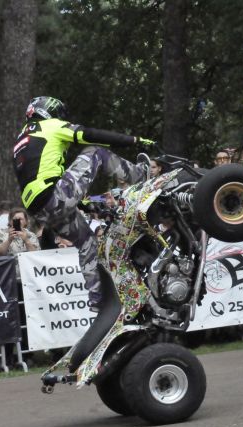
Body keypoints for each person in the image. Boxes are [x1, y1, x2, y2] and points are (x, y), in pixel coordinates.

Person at [12, 96, 151, 311]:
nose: (61, 119)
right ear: (48, 111)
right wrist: (133, 140)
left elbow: (40, 175)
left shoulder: (22, 139)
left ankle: (97, 301)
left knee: (87, 241)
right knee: (96, 151)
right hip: (53, 197)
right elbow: (90, 135)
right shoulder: (49, 126)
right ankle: (142, 175)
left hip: (39, 209)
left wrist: (84, 203)